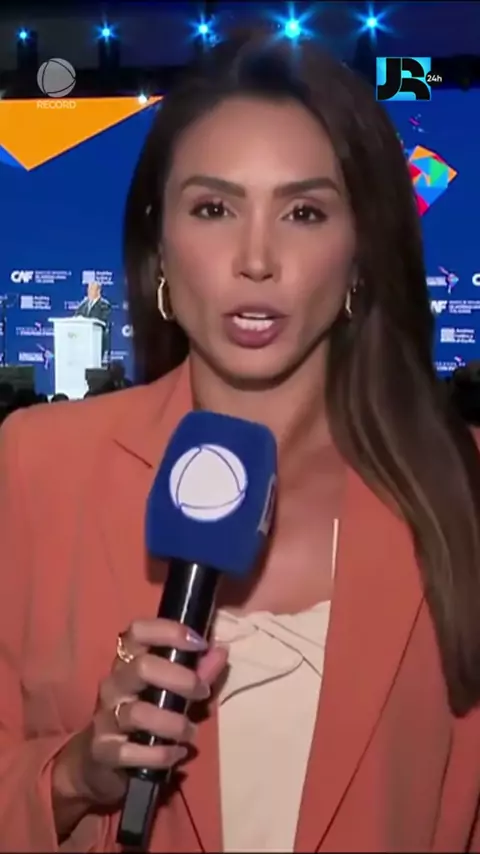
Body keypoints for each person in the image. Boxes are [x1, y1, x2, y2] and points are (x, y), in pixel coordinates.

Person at [1, 26, 480, 853]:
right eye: (213, 208)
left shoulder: (463, 485)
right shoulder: (37, 465)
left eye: (304, 212)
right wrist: (75, 775)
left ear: (359, 255)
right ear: (159, 246)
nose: (257, 259)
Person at [74, 281, 111, 355]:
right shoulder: (83, 304)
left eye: (91, 289)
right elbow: (76, 317)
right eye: (88, 289)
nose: (89, 292)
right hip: (83, 340)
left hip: (97, 339)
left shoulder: (104, 305)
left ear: (98, 291)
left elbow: (103, 321)